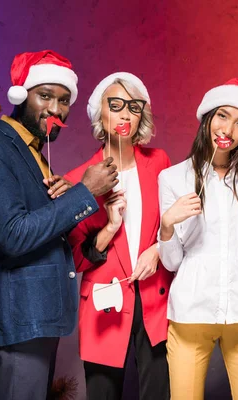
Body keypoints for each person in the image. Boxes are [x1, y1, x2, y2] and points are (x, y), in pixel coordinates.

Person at [0, 50, 118, 400]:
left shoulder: (32, 151)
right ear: (21, 95)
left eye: (64, 101)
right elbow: (13, 236)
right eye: (44, 96)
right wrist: (84, 193)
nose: (55, 110)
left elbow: (42, 231)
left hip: (38, 318)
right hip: (19, 319)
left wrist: (72, 206)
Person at [158, 78, 238, 400]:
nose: (228, 129)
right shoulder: (172, 178)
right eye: (222, 116)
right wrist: (167, 224)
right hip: (191, 312)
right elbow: (172, 262)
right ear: (207, 118)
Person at [65, 72, 171, 399]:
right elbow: (78, 258)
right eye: (116, 104)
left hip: (156, 298)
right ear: (101, 113)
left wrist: (157, 248)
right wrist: (110, 227)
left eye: (134, 107)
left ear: (142, 116)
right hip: (104, 304)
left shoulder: (160, 163)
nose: (125, 113)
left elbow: (177, 226)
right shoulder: (77, 179)